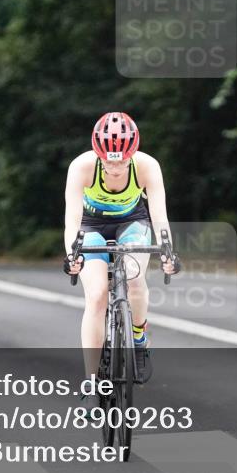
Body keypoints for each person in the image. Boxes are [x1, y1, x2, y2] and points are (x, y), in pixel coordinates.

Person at [63, 112, 180, 387]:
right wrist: (72, 255)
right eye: (108, 162)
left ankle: (138, 339)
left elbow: (159, 216)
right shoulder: (81, 166)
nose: (115, 168)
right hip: (90, 226)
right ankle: (91, 382)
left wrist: (168, 252)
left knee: (134, 278)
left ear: (133, 154)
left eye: (122, 161)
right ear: (98, 154)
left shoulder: (147, 166)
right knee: (97, 295)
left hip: (131, 223)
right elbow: (71, 221)